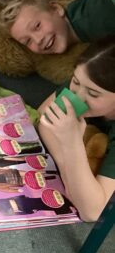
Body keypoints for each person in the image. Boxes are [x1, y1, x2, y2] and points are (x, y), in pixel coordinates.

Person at [38, 35, 115, 222]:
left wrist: (71, 143)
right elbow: (45, 117)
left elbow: (93, 212)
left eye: (93, 94)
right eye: (75, 81)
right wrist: (67, 171)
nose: (77, 97)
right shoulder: (87, 80)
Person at [0, 0, 115, 55]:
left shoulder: (97, 18)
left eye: (37, 26)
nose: (38, 40)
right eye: (27, 41)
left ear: (57, 9)